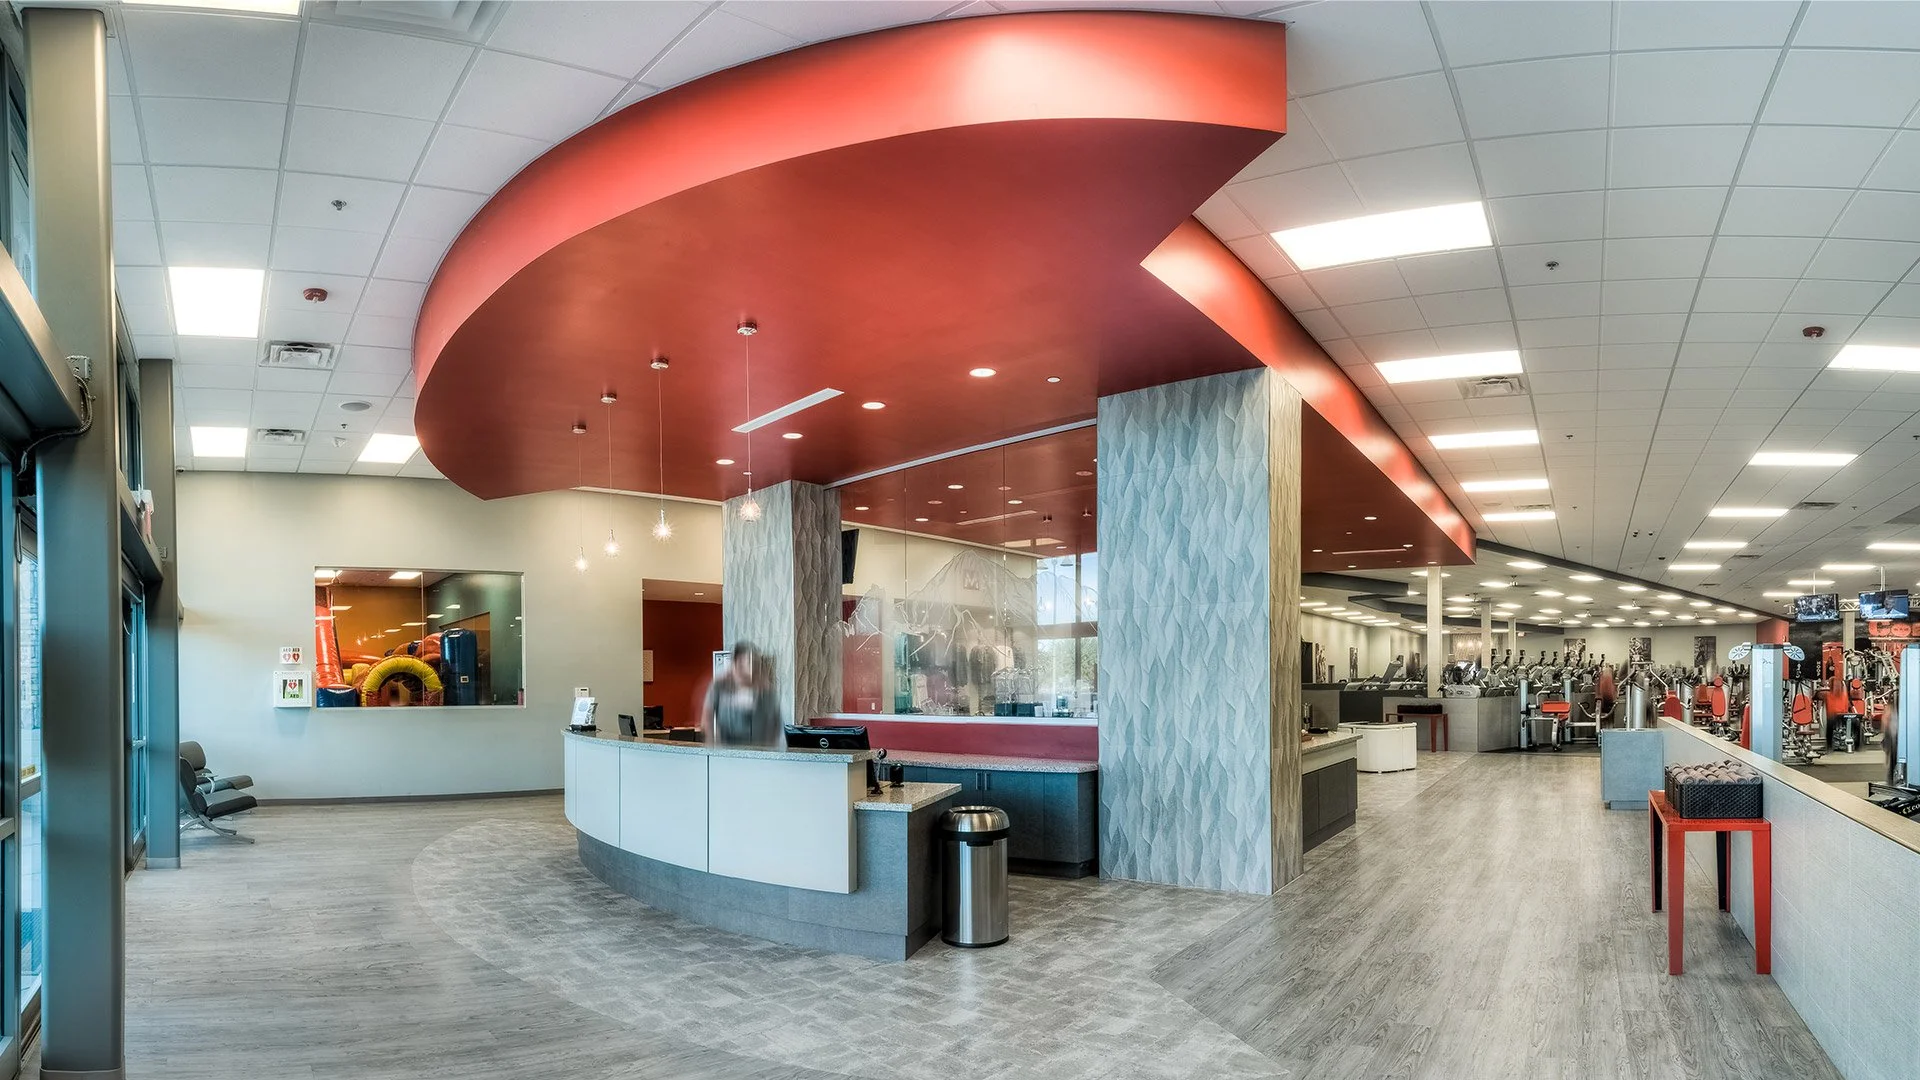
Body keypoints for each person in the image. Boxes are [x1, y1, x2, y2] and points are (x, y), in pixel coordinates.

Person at [702, 641, 781, 747]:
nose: (751, 669)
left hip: (758, 750)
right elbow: (707, 717)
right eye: (747, 663)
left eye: (755, 664)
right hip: (727, 750)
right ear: (736, 663)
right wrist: (714, 743)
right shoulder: (719, 686)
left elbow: (775, 723)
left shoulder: (765, 690)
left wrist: (770, 749)